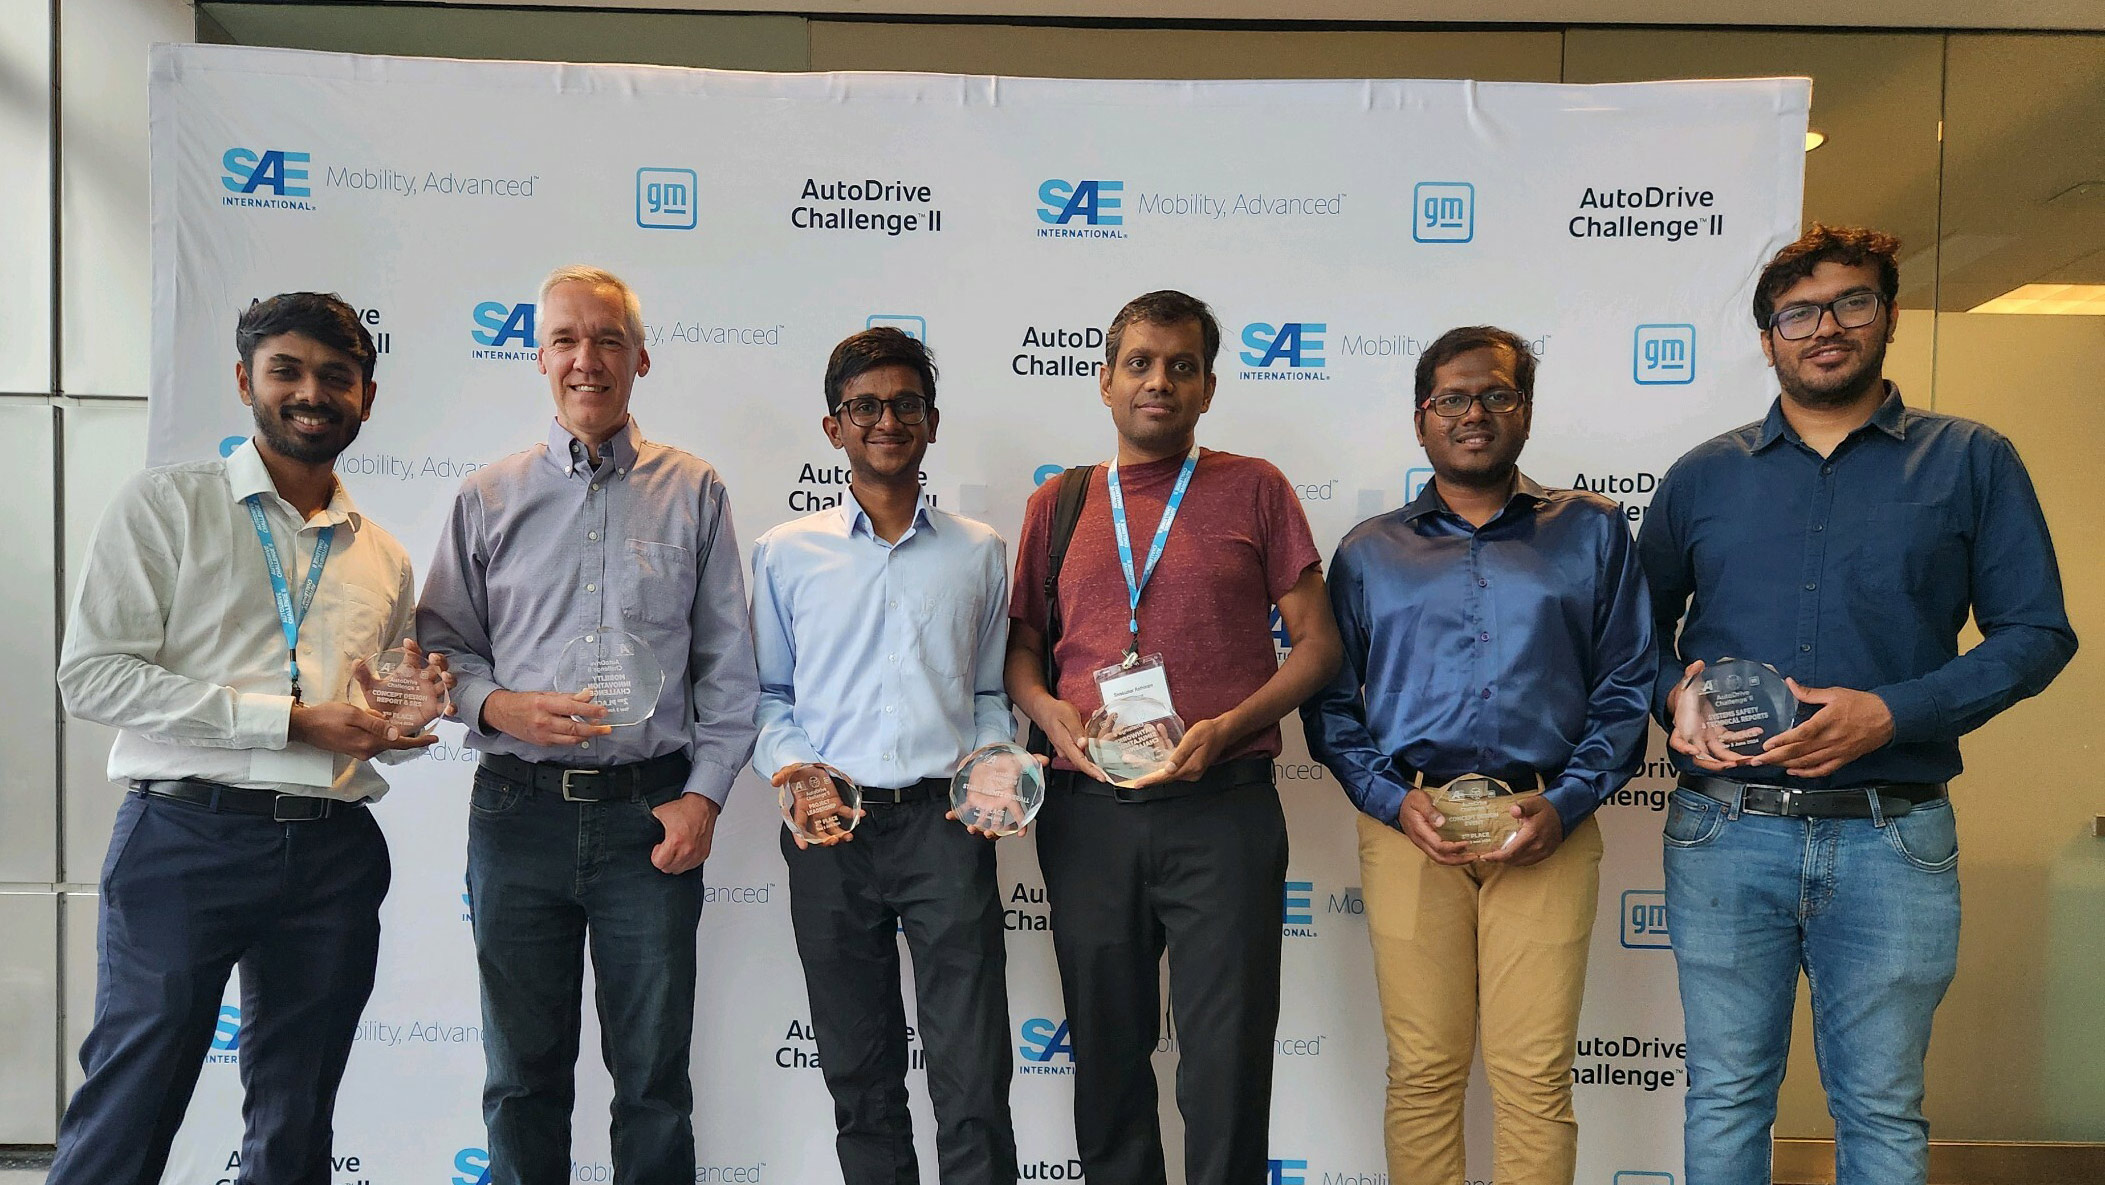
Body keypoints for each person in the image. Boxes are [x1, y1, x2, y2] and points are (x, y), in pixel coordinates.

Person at [1638, 224, 2077, 1185]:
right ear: (1767, 337)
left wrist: (1894, 712)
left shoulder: (1970, 461)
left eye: (1851, 302)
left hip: (1894, 836)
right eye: (1797, 312)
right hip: (1725, 830)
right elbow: (1629, 636)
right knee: (1724, 1092)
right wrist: (1674, 693)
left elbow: (2038, 633)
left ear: (1883, 317)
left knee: (1879, 1108)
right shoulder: (1703, 474)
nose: (1823, 327)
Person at [51, 292, 447, 1185]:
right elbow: (93, 674)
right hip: (185, 838)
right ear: (245, 381)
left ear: (367, 397)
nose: (312, 393)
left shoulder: (380, 553)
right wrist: (292, 721)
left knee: (297, 1115)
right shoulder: (167, 505)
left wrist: (400, 714)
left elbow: (371, 698)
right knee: (133, 1097)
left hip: (332, 851)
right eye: (288, 371)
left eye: (336, 377)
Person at [417, 265, 761, 1185]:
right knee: (522, 1078)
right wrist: (498, 705)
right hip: (516, 815)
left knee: (653, 1080)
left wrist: (704, 798)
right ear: (538, 357)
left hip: (649, 819)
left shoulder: (696, 490)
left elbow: (730, 669)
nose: (586, 359)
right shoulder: (487, 495)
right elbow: (440, 651)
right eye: (566, 339)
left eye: (607, 339)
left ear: (639, 358)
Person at [1301, 325, 1653, 1185]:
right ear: (1420, 419)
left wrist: (1566, 801)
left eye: (1496, 394)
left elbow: (1626, 686)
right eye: (1451, 398)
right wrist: (1391, 802)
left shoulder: (1592, 531)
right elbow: (1332, 704)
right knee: (1422, 1075)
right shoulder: (1366, 551)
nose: (1474, 413)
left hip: (1547, 827)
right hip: (1411, 829)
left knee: (1533, 1079)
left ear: (1524, 410)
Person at [1004, 289, 1342, 1185]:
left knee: (1225, 1064)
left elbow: (1318, 644)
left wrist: (1234, 721)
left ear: (1208, 387)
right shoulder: (1058, 503)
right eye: (1141, 363)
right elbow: (1023, 658)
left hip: (1222, 813)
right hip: (1088, 817)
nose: (1160, 381)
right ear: (1105, 382)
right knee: (1108, 1061)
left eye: (1181, 366)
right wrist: (1048, 712)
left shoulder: (1255, 487)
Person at [749, 327, 1021, 1185]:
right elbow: (768, 697)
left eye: (905, 403)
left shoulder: (978, 551)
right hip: (830, 832)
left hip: (944, 826)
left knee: (971, 1072)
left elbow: (986, 695)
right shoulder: (785, 554)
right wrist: (797, 771)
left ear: (932, 422)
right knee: (859, 1075)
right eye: (863, 406)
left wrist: (994, 764)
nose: (885, 420)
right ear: (834, 428)